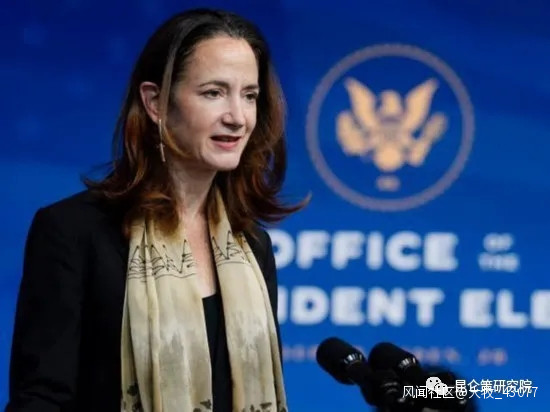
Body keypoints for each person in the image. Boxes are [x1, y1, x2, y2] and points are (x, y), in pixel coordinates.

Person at [6, 8, 306, 412]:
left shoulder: (252, 245)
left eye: (249, 96)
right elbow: (41, 399)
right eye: (213, 93)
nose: (237, 117)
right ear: (155, 103)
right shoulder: (73, 232)